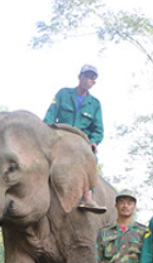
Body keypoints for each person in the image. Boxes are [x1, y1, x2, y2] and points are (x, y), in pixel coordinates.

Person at [44, 64, 106, 213]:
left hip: (80, 142)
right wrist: (45, 131)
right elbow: (50, 114)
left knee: (92, 158)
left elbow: (98, 130)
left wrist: (93, 142)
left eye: (92, 78)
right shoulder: (63, 94)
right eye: (86, 76)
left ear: (94, 82)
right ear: (79, 77)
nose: (88, 80)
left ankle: (87, 197)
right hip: (59, 136)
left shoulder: (95, 104)